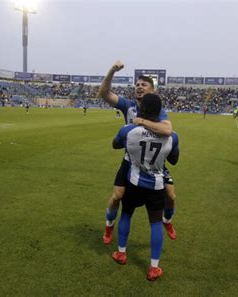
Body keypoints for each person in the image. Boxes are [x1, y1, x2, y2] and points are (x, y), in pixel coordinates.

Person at [98, 60, 177, 245]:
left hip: (155, 161)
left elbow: (167, 130)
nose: (139, 87)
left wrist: (141, 122)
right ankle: (109, 225)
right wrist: (111, 70)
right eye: (137, 85)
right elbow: (103, 94)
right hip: (130, 160)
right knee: (117, 196)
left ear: (152, 90)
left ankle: (168, 221)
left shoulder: (159, 111)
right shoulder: (128, 105)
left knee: (171, 196)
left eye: (144, 85)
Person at [111, 94, 179, 281]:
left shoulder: (128, 130)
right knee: (156, 223)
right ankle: (154, 267)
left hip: (133, 181)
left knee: (126, 214)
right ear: (160, 112)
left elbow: (115, 145)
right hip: (156, 185)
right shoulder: (172, 136)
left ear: (140, 111)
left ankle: (122, 253)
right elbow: (174, 160)